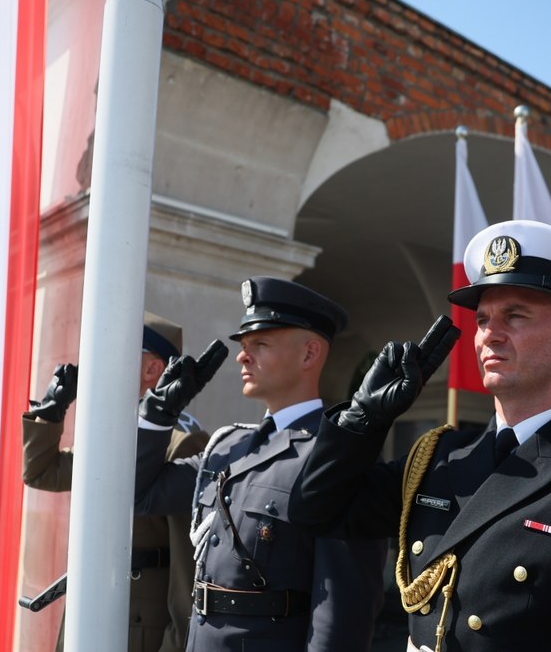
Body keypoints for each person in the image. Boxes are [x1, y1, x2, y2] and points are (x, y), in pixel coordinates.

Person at [290, 220, 551, 651]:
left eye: (516, 316)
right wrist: (363, 419)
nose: (491, 334)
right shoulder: (439, 458)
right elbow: (317, 512)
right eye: (483, 319)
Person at [133, 277, 387, 652]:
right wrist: (157, 415)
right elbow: (141, 495)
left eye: (260, 344)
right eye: (244, 345)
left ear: (309, 354)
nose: (242, 356)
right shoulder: (229, 445)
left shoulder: (336, 454)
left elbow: (342, 609)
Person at [22, 313, 209, 651]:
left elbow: (189, 567)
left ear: (152, 370)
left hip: (137, 625)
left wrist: (178, 643)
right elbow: (41, 473)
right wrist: (51, 412)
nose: (98, 362)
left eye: (114, 351)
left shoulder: (181, 442)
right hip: (88, 607)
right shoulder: (111, 432)